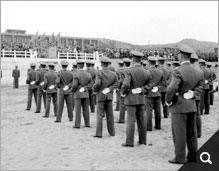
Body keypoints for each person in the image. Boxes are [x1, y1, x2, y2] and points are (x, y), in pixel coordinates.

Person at [166, 44, 204, 164]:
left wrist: (168, 101)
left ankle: (180, 157)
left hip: (179, 106)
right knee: (192, 133)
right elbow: (201, 85)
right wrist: (194, 93)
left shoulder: (178, 71)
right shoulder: (198, 71)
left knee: (179, 133)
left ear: (181, 56)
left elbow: (172, 88)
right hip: (191, 105)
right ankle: (193, 157)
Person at [121, 50, 153, 147]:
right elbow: (151, 84)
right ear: (140, 60)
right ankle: (143, 140)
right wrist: (142, 89)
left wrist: (123, 92)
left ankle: (129, 142)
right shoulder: (146, 72)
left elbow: (126, 84)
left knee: (130, 121)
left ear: (133, 59)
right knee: (141, 121)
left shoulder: (129, 71)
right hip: (141, 98)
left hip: (130, 98)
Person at [93, 56, 118, 138]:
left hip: (100, 95)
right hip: (109, 96)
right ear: (108, 64)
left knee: (99, 115)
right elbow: (116, 84)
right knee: (110, 115)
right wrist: (109, 89)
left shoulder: (99, 73)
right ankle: (112, 132)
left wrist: (95, 90)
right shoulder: (113, 74)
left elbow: (97, 84)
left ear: (101, 64)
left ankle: (99, 133)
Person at [146, 56, 166, 131]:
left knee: (149, 110)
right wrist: (158, 88)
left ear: (149, 62)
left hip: (149, 93)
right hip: (157, 93)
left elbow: (144, 83)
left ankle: (149, 126)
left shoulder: (146, 71)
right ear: (155, 63)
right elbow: (164, 83)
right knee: (158, 110)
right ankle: (158, 125)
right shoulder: (160, 72)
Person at [72, 60, 92, 128]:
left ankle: (77, 124)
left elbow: (74, 85)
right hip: (85, 93)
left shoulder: (76, 74)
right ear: (83, 66)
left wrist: (72, 91)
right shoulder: (88, 74)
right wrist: (85, 87)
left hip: (78, 93)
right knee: (86, 109)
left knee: (78, 110)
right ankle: (87, 123)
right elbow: (91, 84)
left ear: (77, 65)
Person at [190, 53, 204, 138]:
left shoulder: (186, 70)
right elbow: (201, 84)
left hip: (188, 96)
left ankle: (192, 133)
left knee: (190, 115)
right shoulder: (200, 71)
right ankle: (198, 133)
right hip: (197, 95)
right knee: (197, 115)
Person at [117, 58, 132, 123]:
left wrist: (120, 89)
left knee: (122, 104)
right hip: (131, 89)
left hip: (124, 88)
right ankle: (133, 119)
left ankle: (121, 119)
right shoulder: (132, 70)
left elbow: (121, 81)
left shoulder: (124, 71)